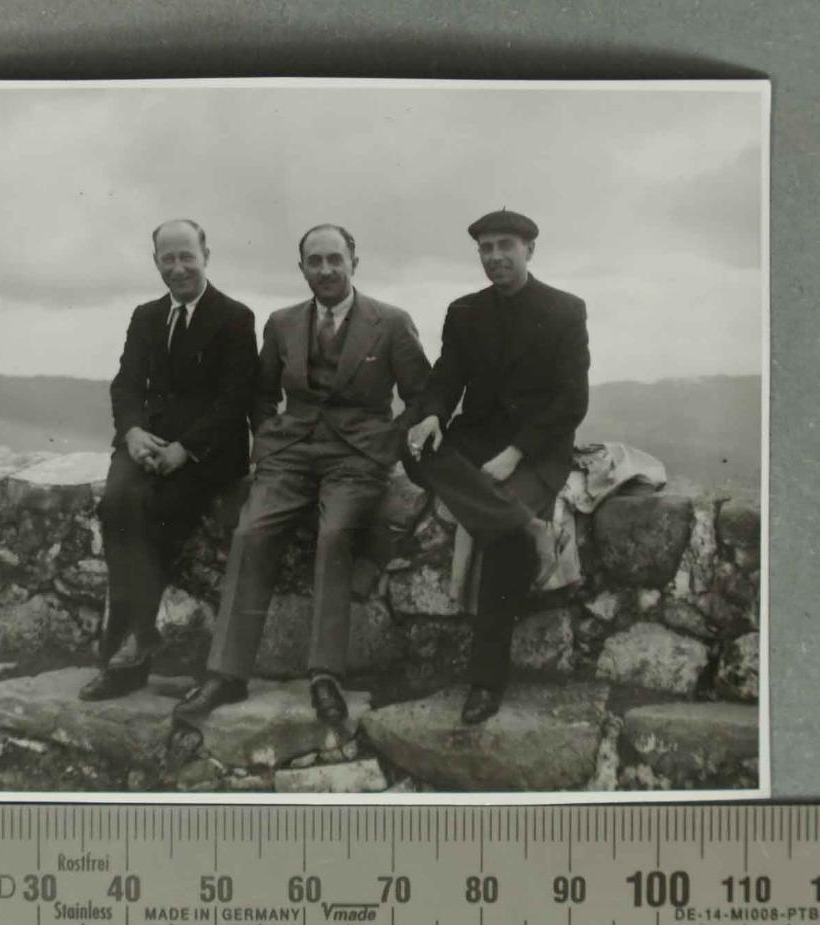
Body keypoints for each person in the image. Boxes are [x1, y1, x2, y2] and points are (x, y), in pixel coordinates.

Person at [174, 224, 430, 725]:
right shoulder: (282, 322)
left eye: (335, 259)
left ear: (354, 262)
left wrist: (388, 443)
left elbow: (422, 396)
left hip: (357, 457)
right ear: (302, 269)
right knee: (250, 531)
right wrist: (269, 439)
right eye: (315, 262)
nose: (326, 270)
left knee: (335, 535)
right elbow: (262, 392)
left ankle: (325, 676)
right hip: (290, 453)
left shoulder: (392, 322)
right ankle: (226, 675)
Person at [405, 209, 590, 724]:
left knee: (502, 542)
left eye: (505, 245)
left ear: (530, 249)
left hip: (537, 447)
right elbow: (446, 378)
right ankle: (526, 525)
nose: (494, 257)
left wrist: (517, 453)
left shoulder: (565, 310)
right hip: (476, 439)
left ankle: (486, 680)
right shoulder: (464, 311)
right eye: (485, 248)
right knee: (408, 438)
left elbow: (572, 401)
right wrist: (434, 415)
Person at [79, 219, 258, 701]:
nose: (178, 268)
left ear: (206, 256)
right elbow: (126, 385)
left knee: (154, 511)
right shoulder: (146, 317)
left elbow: (234, 399)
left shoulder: (235, 317)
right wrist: (134, 434)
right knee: (115, 505)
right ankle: (140, 637)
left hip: (206, 454)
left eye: (187, 257)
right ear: (156, 261)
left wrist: (185, 449)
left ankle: (125, 651)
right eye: (168, 258)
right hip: (147, 444)